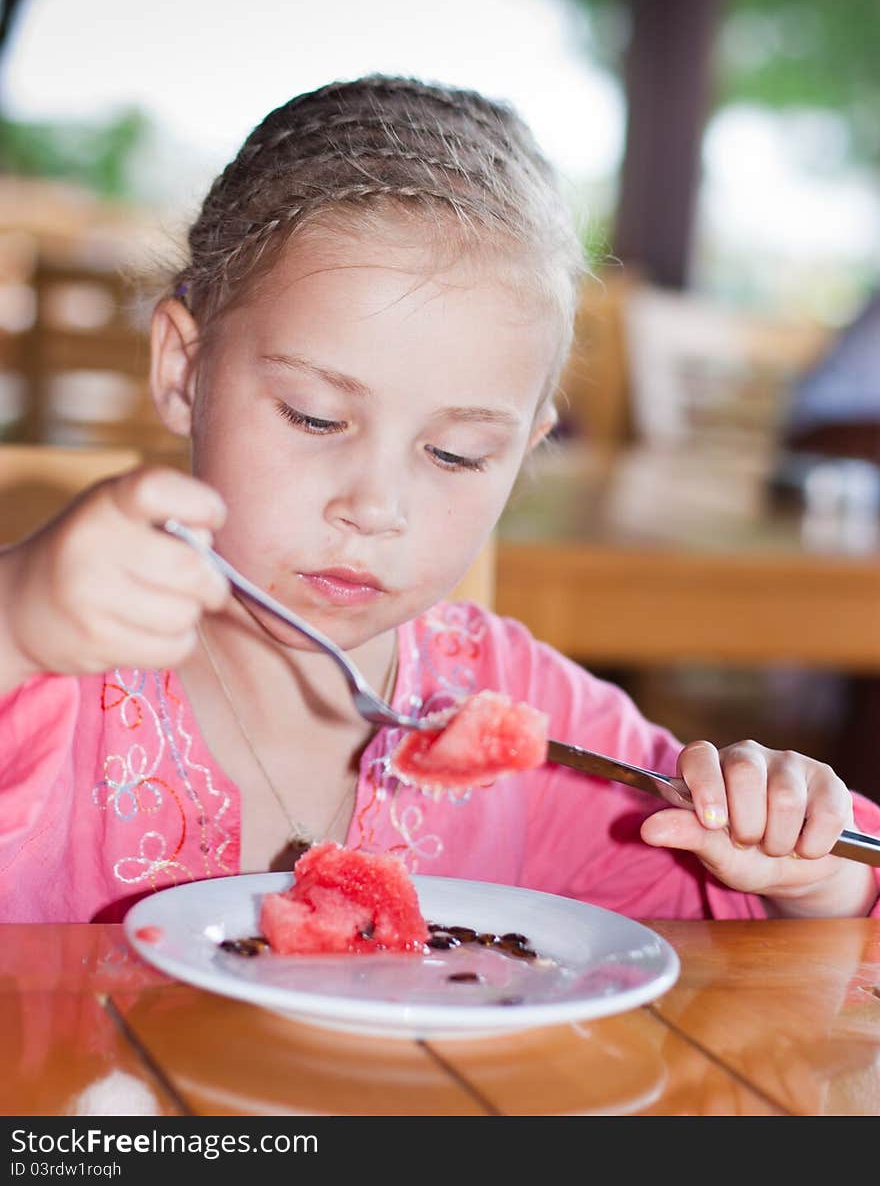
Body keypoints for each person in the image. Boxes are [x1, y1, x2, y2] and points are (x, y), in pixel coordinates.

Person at [1, 75, 878, 924]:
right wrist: (15, 622)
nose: (375, 505)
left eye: (457, 455)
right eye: (315, 417)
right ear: (183, 370)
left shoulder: (525, 721)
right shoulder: (48, 668)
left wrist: (801, 870)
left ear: (524, 451)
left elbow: (804, 906)